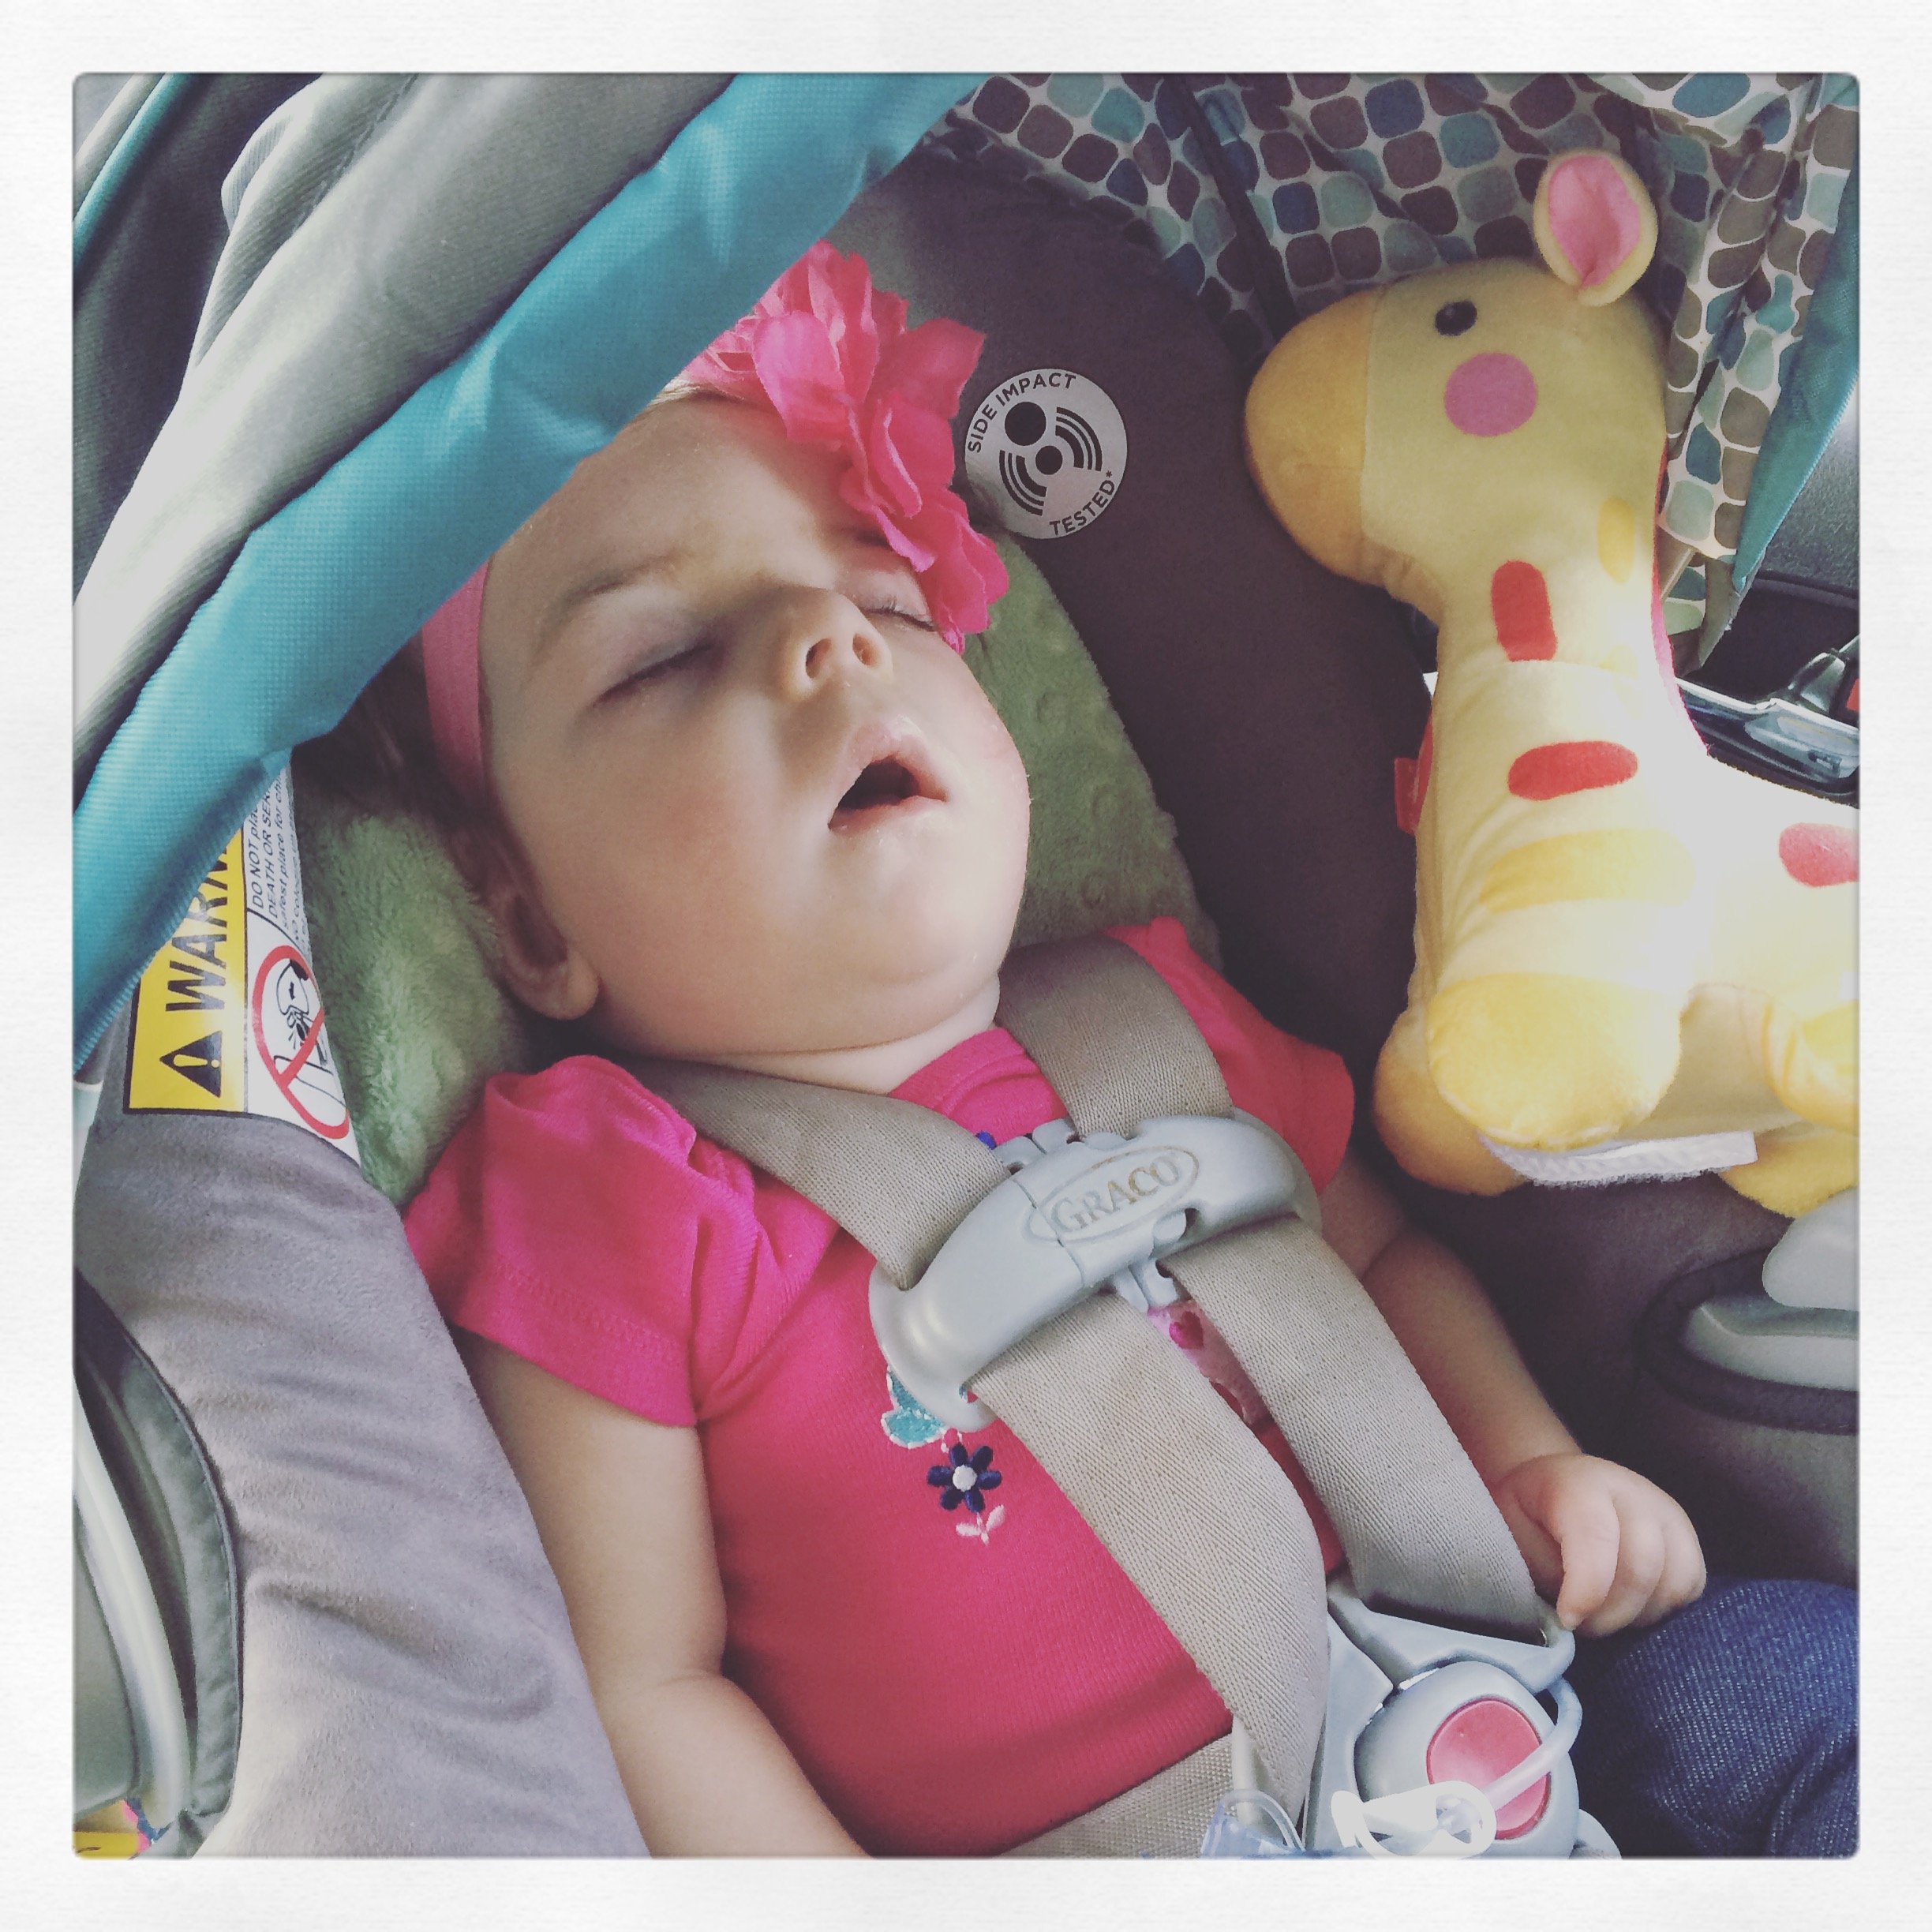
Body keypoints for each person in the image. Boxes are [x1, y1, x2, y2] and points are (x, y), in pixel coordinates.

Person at [317, 242, 1852, 1857]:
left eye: (887, 601)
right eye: (666, 657)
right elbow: (639, 1686)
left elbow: (1385, 1259)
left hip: (1519, 1717)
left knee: (1827, 1688)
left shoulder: (1162, 1013)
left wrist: (1532, 1462)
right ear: (526, 920)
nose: (830, 644)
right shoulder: (618, 1191)